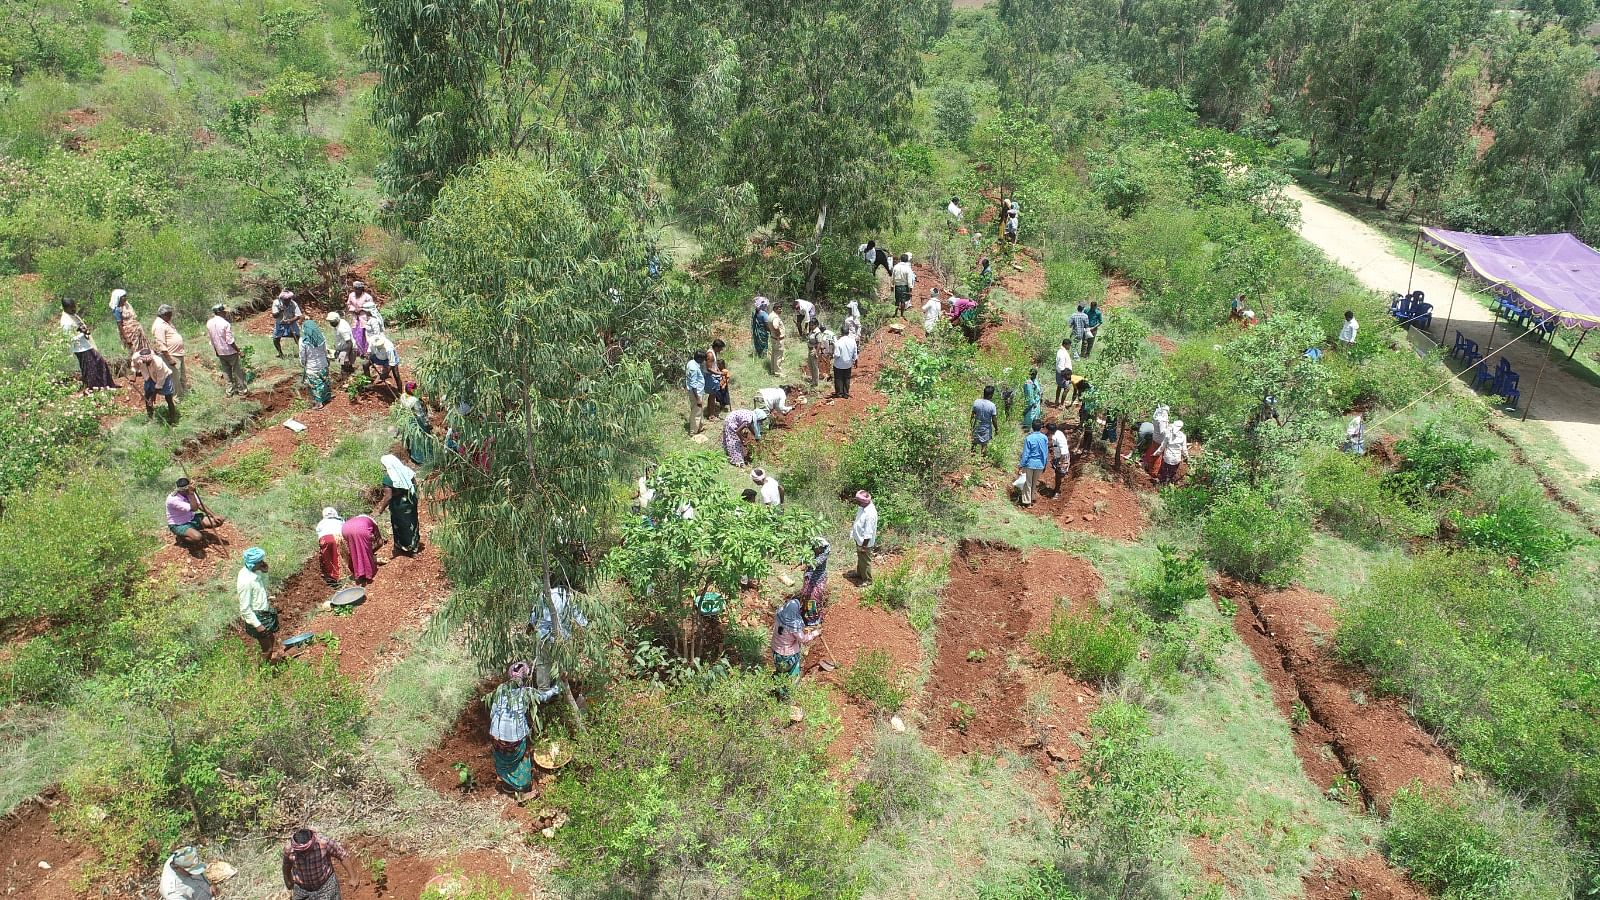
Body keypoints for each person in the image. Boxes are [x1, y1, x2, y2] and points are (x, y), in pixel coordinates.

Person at [487, 662, 536, 799]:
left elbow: (493, 712)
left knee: (503, 760)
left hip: (496, 736)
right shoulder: (526, 692)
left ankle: (507, 784)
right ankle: (522, 789)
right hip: (514, 740)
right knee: (523, 756)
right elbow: (538, 700)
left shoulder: (501, 688)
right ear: (525, 677)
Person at [60, 299, 117, 390]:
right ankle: (94, 388)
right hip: (79, 348)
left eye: (74, 306)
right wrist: (82, 333)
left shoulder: (73, 315)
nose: (74, 309)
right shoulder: (66, 322)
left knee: (100, 362)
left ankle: (107, 385)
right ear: (66, 308)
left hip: (86, 345)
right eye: (72, 308)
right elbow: (69, 339)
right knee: (90, 369)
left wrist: (85, 331)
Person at [375, 454, 422, 556]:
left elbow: (388, 497)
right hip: (410, 502)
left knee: (399, 525)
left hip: (399, 506)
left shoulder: (388, 479)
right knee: (411, 523)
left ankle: (402, 546)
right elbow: (414, 484)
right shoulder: (407, 471)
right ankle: (414, 546)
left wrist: (381, 510)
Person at [282, 828, 348, 900]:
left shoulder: (324, 843)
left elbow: (342, 855)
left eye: (306, 850)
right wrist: (287, 880)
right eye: (301, 851)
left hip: (325, 886)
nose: (304, 853)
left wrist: (354, 877)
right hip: (302, 888)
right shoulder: (289, 849)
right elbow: (286, 865)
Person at [771, 596, 814, 698]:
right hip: (788, 656)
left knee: (780, 671)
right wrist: (815, 633)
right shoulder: (793, 626)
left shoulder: (779, 615)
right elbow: (803, 639)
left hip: (776, 652)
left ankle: (776, 691)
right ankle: (786, 696)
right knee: (792, 675)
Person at [237, 547, 277, 656]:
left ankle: (272, 666)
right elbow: (245, 609)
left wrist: (265, 573)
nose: (263, 563)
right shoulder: (245, 581)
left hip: (264, 612)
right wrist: (258, 625)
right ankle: (264, 669)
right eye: (260, 561)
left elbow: (264, 587)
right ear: (253, 564)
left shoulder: (255, 571)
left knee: (272, 641)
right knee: (267, 649)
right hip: (257, 616)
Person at [167, 478, 224, 545]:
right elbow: (194, 508)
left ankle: (192, 530)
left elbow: (199, 505)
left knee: (218, 521)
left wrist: (213, 515)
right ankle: (182, 537)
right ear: (183, 490)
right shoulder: (174, 500)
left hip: (192, 519)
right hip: (179, 524)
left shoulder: (189, 492)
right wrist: (191, 493)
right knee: (197, 537)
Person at [206, 304, 248, 396]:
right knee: (237, 370)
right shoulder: (225, 324)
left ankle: (229, 391)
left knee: (226, 371)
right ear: (220, 312)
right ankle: (242, 390)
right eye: (224, 311)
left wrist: (216, 351)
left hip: (220, 352)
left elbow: (212, 340)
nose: (225, 313)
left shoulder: (209, 323)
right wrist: (238, 351)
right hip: (230, 351)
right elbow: (230, 341)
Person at [150, 305, 187, 399]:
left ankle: (184, 395)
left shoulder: (166, 322)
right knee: (175, 379)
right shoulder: (159, 326)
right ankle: (177, 399)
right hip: (171, 355)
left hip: (178, 353)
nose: (171, 316)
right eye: (170, 314)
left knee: (181, 377)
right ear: (164, 314)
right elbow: (161, 344)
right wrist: (169, 359)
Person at [131, 348, 178, 422]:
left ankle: (173, 418)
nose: (147, 364)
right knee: (147, 397)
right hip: (149, 378)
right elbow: (134, 365)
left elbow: (160, 381)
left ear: (151, 358)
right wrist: (134, 376)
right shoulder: (136, 357)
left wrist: (153, 396)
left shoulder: (158, 362)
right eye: (145, 362)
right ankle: (150, 417)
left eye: (149, 362)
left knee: (168, 398)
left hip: (164, 378)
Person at [298, 316, 332, 409]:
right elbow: (325, 350)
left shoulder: (303, 341)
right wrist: (327, 360)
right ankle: (327, 398)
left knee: (315, 385)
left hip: (312, 367)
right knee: (325, 382)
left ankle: (319, 403)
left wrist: (303, 363)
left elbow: (302, 355)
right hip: (323, 364)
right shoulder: (321, 337)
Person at [341, 512, 383, 585]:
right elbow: (380, 543)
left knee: (355, 551)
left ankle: (359, 574)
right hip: (361, 529)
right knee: (363, 551)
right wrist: (371, 552)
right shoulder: (372, 522)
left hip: (345, 529)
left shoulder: (355, 519)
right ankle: (368, 574)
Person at [398, 382, 433, 464]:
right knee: (421, 438)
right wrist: (427, 424)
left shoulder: (403, 396)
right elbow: (420, 414)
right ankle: (422, 458)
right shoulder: (415, 400)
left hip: (409, 421)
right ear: (411, 390)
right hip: (417, 422)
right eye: (415, 389)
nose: (416, 391)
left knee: (412, 437)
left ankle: (412, 454)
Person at [800, 536, 830, 629]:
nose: (819, 549)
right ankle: (805, 615)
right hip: (809, 576)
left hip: (819, 577)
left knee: (814, 598)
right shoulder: (810, 552)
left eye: (820, 547)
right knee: (806, 596)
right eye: (817, 547)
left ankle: (813, 620)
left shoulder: (824, 554)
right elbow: (803, 559)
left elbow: (817, 562)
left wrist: (807, 564)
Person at [1018, 421, 1048, 506]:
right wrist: (1045, 463)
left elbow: (1026, 454)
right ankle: (1032, 498)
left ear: (1032, 427)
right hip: (1040, 464)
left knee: (1028, 483)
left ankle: (1027, 502)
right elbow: (1045, 452)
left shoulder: (1029, 438)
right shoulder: (1044, 438)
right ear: (1041, 428)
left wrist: (1021, 465)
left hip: (1029, 464)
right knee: (1034, 483)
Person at [850, 490, 878, 584]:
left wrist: (864, 547)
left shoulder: (870, 514)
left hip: (864, 542)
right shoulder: (862, 507)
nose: (856, 502)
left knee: (865, 561)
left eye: (858, 501)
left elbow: (868, 532)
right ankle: (859, 573)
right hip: (859, 539)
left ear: (863, 501)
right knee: (860, 558)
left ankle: (867, 580)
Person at [109, 289, 147, 357]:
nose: (125, 298)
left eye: (125, 296)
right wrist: (126, 338)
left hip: (136, 330)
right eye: (123, 296)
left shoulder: (126, 305)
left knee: (142, 349)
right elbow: (119, 325)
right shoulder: (117, 310)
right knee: (134, 350)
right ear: (118, 298)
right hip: (128, 333)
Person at [315, 507, 346, 585]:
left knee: (327, 558)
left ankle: (332, 577)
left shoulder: (321, 523)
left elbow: (318, 533)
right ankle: (344, 575)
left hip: (325, 539)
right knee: (341, 555)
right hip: (338, 537)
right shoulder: (340, 520)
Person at [705, 339, 731, 420]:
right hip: (709, 377)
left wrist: (719, 371)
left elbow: (714, 365)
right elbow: (709, 368)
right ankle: (711, 415)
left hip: (714, 376)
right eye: (720, 348)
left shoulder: (714, 352)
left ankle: (711, 412)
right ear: (716, 347)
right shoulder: (710, 355)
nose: (721, 350)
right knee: (712, 396)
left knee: (713, 395)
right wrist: (720, 374)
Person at [271, 290, 302, 358]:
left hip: (291, 322)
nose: (288, 301)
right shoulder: (276, 303)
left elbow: (298, 316)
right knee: (275, 339)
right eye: (286, 299)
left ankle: (302, 352)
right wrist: (280, 311)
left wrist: (290, 321)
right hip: (280, 323)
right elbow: (274, 316)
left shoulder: (293, 303)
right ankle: (280, 353)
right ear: (282, 299)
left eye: (289, 299)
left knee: (297, 337)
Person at [326, 312, 356, 379]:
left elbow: (349, 342)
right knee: (348, 366)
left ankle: (345, 383)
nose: (330, 324)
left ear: (336, 320)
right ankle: (350, 379)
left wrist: (347, 355)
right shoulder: (341, 322)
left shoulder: (342, 329)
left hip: (346, 349)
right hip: (344, 348)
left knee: (344, 368)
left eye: (332, 322)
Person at [831, 327, 859, 399]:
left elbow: (837, 355)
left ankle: (839, 393)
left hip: (839, 364)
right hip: (848, 363)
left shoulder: (838, 342)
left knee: (838, 378)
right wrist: (855, 361)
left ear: (841, 332)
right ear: (848, 332)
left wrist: (832, 355)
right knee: (847, 378)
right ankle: (846, 393)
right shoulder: (852, 341)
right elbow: (855, 353)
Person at [1158, 420, 1188, 484]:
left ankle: (1163, 482)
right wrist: (1186, 456)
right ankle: (1169, 483)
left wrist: (1157, 453)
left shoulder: (1168, 435)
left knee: (1165, 470)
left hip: (1167, 457)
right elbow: (1184, 449)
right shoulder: (1183, 436)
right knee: (1172, 472)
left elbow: (1162, 447)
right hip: (1176, 458)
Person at [685, 350, 707, 435]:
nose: (703, 361)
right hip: (696, 393)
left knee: (699, 410)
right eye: (703, 359)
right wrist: (698, 398)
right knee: (696, 412)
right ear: (699, 359)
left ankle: (700, 426)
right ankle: (693, 431)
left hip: (698, 391)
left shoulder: (691, 362)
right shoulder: (694, 368)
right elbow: (693, 385)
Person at [972, 386, 998, 452]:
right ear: (990, 395)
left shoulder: (976, 402)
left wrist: (971, 426)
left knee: (973, 444)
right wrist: (996, 429)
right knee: (984, 445)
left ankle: (972, 458)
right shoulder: (992, 405)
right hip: (986, 429)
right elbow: (994, 419)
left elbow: (972, 416)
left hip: (976, 427)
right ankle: (982, 460)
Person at [804, 320, 829, 388]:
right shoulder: (812, 331)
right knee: (810, 365)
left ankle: (816, 382)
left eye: (812, 325)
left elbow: (819, 343)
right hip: (810, 350)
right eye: (810, 325)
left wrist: (816, 353)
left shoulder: (817, 332)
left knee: (814, 367)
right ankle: (813, 380)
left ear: (816, 325)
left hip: (814, 350)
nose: (811, 326)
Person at [891, 253, 916, 318]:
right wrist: (910, 290)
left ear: (900, 259)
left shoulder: (896, 267)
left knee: (897, 300)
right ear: (907, 260)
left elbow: (893, 277)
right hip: (905, 287)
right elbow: (909, 280)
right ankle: (902, 315)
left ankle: (895, 314)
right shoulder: (908, 268)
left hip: (897, 286)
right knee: (903, 301)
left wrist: (892, 285)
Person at [1050, 422, 1072, 496]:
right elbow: (1056, 446)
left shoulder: (1056, 437)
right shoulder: (1058, 433)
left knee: (1058, 475)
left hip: (1062, 457)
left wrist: (1059, 462)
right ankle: (1056, 489)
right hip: (1060, 456)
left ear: (1050, 431)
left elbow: (1063, 453)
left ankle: (1056, 491)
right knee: (1057, 473)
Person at [1054, 339, 1074, 407]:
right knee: (1067, 388)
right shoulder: (1062, 354)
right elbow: (1061, 366)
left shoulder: (1061, 351)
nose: (1069, 347)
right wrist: (1066, 376)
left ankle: (1057, 401)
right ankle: (1061, 405)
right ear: (1066, 345)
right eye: (1069, 345)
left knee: (1059, 386)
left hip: (1060, 373)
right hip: (1063, 374)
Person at [766, 305, 785, 376]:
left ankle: (773, 370)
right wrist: (778, 333)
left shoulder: (770, 315)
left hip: (773, 338)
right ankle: (778, 373)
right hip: (778, 339)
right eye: (779, 309)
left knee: (774, 354)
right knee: (778, 356)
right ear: (775, 309)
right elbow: (776, 326)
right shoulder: (775, 317)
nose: (781, 310)